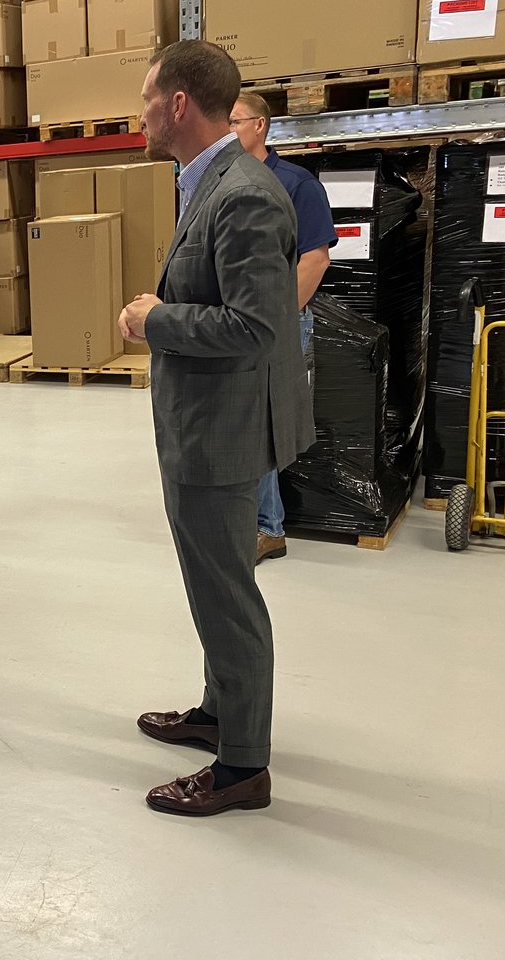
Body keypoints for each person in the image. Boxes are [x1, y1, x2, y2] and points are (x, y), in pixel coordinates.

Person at [120, 40, 314, 817]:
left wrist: (156, 319)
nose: (139, 113)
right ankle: (218, 710)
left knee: (228, 596)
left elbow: (255, 326)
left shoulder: (244, 195)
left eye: (146, 98)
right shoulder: (208, 183)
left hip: (221, 433)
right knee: (211, 583)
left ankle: (242, 768)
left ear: (177, 105)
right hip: (201, 424)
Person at [230, 92, 335, 564]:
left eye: (233, 121)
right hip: (234, 322)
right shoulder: (224, 181)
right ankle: (251, 519)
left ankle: (267, 527)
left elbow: (315, 259)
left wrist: (275, 318)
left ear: (260, 125)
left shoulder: (295, 184)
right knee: (243, 421)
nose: (226, 130)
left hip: (276, 323)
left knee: (264, 423)